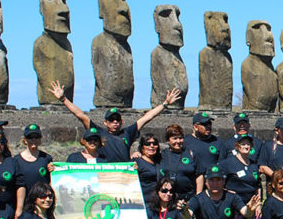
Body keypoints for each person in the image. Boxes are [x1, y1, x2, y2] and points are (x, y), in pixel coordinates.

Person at [50, 79, 179, 162]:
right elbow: (80, 115)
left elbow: (147, 117)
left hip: (124, 174)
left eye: (117, 119)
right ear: (105, 122)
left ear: (121, 121)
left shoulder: (127, 132)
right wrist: (63, 99)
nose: (115, 122)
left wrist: (165, 104)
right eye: (111, 120)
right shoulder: (99, 133)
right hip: (105, 172)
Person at [159, 124, 201, 203]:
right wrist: (137, 153)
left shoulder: (191, 153)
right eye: (174, 138)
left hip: (188, 197)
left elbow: (199, 175)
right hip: (168, 197)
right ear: (168, 140)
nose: (178, 141)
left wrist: (198, 196)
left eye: (180, 138)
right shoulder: (162, 154)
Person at [14, 124, 53, 194]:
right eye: (30, 137)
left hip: (42, 200)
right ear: (25, 140)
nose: (34, 140)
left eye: (37, 137)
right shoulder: (16, 160)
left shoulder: (47, 158)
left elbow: (51, 181)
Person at [134, 133, 163, 204]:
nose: (151, 146)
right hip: (143, 202)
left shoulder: (160, 160)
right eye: (147, 143)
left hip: (158, 202)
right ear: (142, 146)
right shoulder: (137, 162)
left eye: (155, 143)